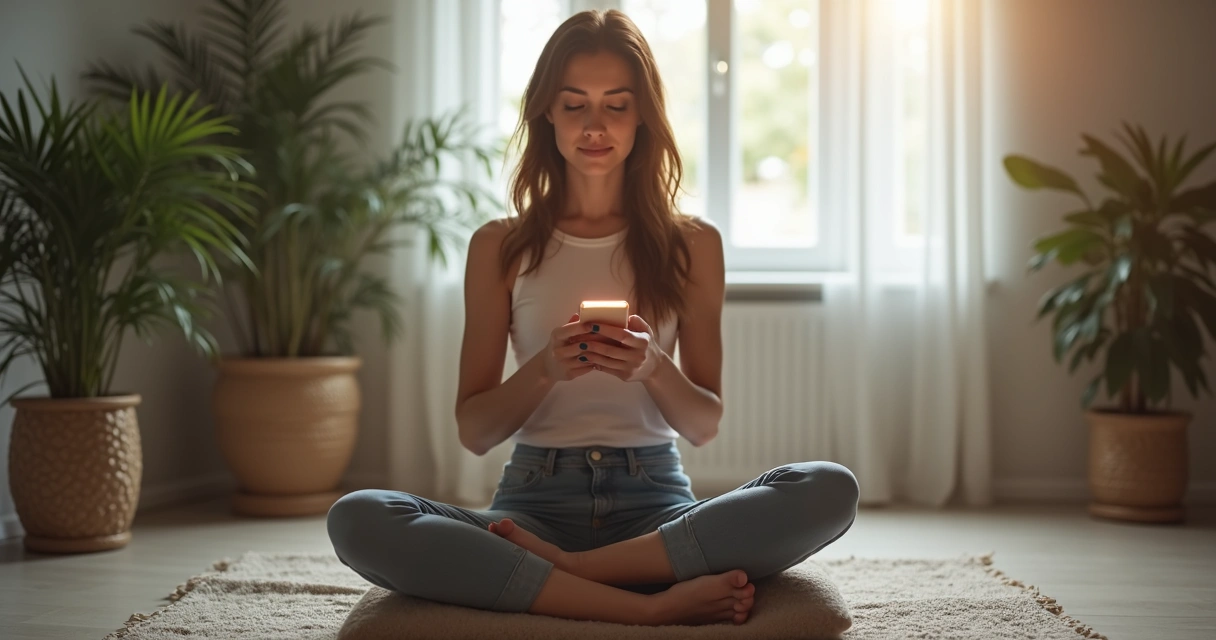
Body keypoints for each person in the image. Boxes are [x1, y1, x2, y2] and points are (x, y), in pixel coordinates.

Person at [327, 9, 859, 627]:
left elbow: (703, 424)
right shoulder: (499, 245)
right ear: (547, 113)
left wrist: (653, 367)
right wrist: (545, 368)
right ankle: (645, 606)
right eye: (575, 104)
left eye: (617, 105)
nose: (595, 126)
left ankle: (568, 575)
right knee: (358, 516)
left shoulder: (694, 244)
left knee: (829, 486)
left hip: (655, 507)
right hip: (531, 505)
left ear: (643, 116)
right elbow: (475, 431)